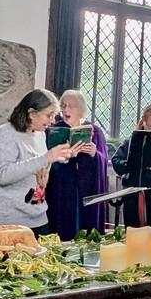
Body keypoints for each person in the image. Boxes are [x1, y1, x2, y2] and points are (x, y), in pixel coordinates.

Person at [0, 89, 82, 237]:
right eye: (49, 115)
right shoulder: (4, 133)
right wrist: (46, 157)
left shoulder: (39, 135)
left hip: (37, 215)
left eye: (54, 115)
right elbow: (3, 176)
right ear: (31, 113)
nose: (53, 121)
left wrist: (63, 156)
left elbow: (39, 166)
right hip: (4, 219)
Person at [46, 89, 109, 240]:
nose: (65, 110)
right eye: (63, 105)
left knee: (87, 226)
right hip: (62, 188)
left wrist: (94, 154)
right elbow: (46, 161)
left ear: (81, 110)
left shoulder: (95, 131)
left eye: (70, 106)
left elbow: (104, 160)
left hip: (87, 188)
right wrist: (64, 156)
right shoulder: (53, 131)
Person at [111, 103, 151, 227]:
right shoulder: (132, 140)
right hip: (135, 194)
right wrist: (131, 165)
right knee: (134, 230)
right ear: (144, 117)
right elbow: (116, 160)